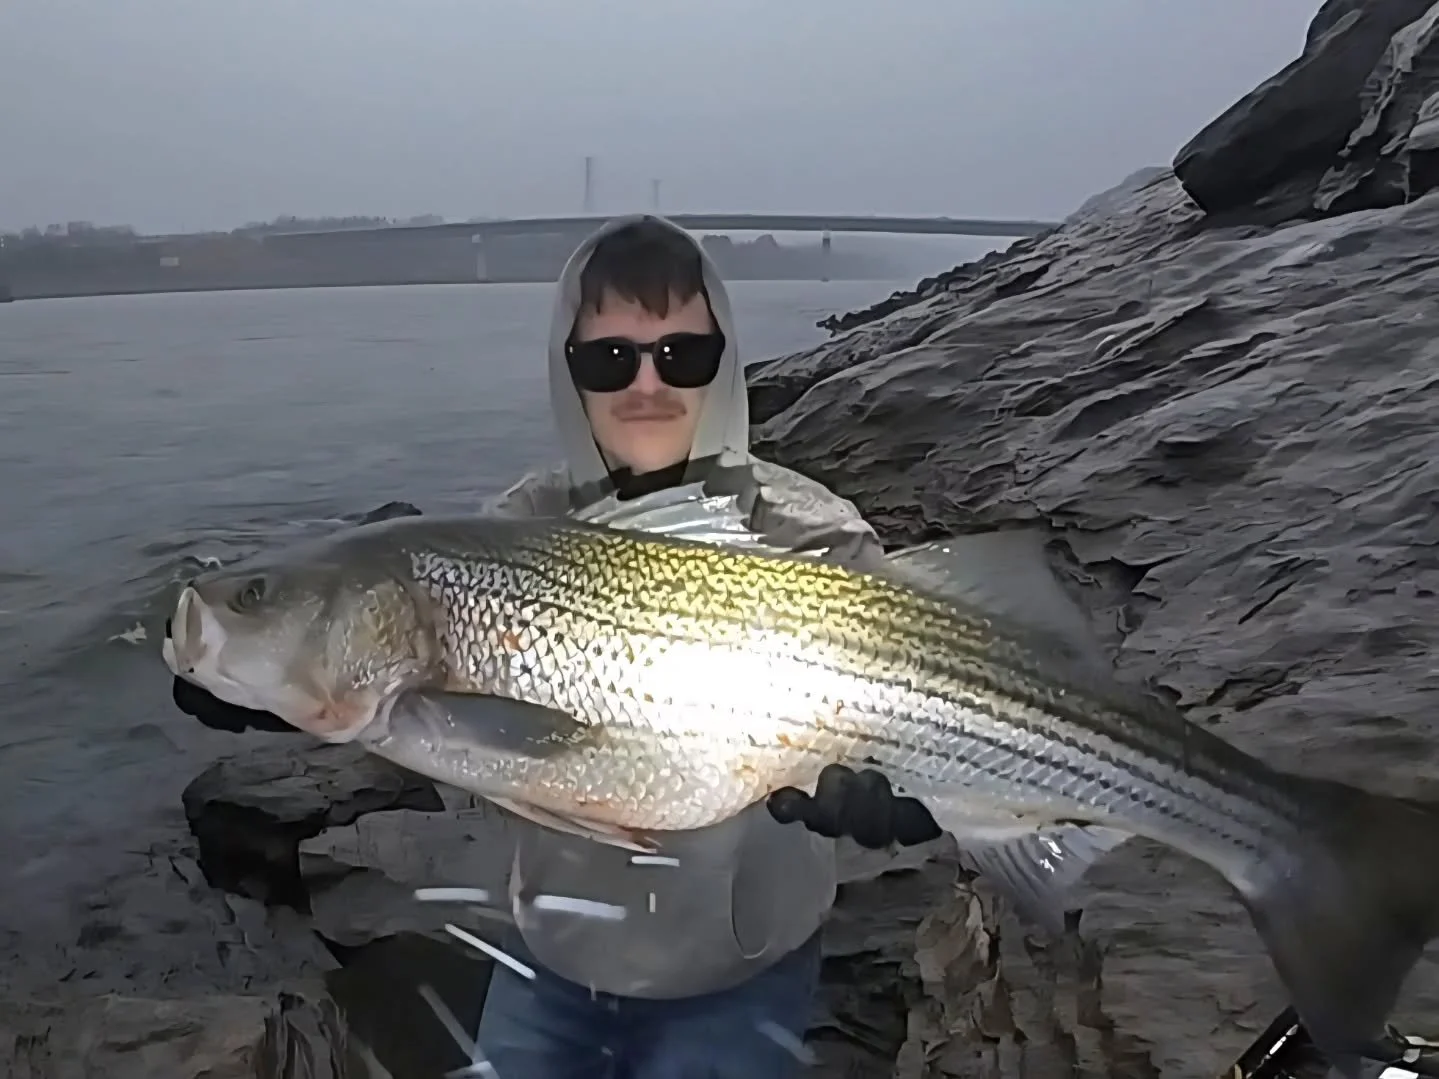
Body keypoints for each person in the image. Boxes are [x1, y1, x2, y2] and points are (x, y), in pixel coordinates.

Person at [171, 214, 941, 1078]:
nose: (646, 384)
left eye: (681, 355)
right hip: (554, 961)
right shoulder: (516, 527)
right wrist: (272, 686)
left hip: (741, 973)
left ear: (722, 363)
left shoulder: (817, 542)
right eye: (609, 359)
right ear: (564, 370)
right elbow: (447, 720)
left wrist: (910, 795)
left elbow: (941, 707)